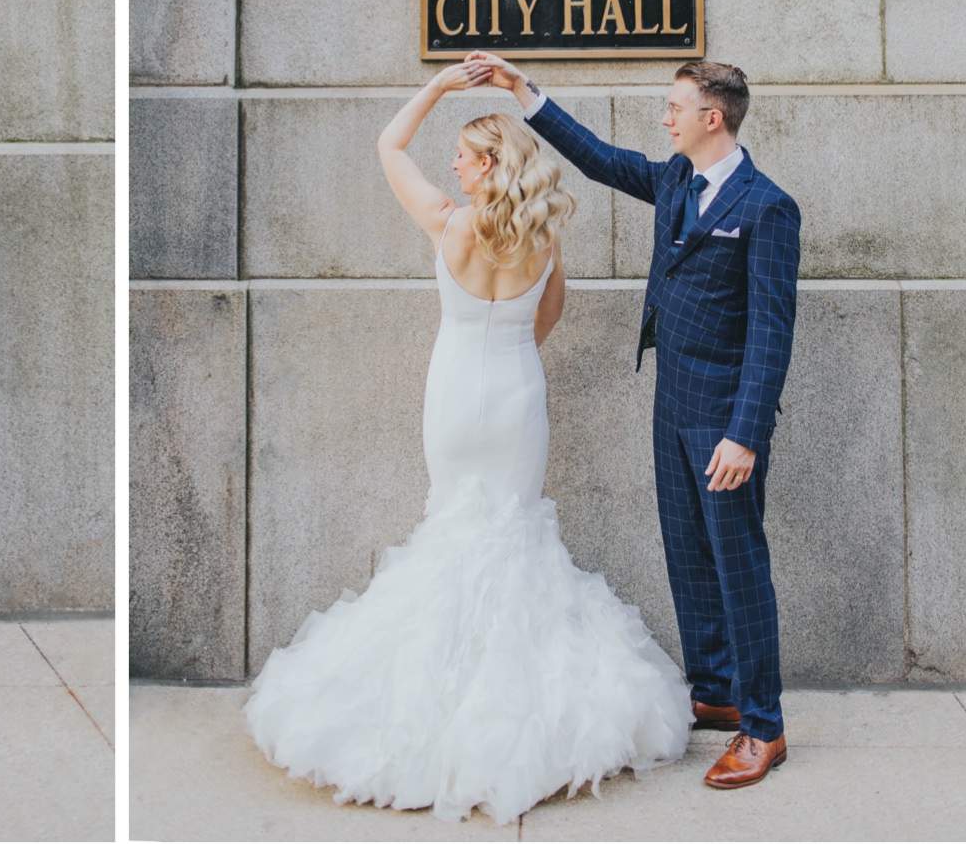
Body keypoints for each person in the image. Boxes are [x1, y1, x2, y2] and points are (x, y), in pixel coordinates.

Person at [245, 59, 691, 825]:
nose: (449, 163)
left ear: (486, 165)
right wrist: (515, 350)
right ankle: (518, 711)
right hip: (517, 393)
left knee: (453, 525)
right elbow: (550, 314)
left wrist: (438, 86)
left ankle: (443, 702)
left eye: (460, 153)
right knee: (512, 531)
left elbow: (389, 145)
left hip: (454, 393)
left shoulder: (450, 223)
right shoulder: (543, 236)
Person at [468, 51, 800, 790]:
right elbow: (600, 161)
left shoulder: (766, 206)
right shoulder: (676, 179)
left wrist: (745, 433)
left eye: (675, 108)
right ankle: (713, 686)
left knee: (738, 563)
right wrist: (524, 92)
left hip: (724, 421)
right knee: (687, 554)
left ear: (712, 118)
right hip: (672, 405)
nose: (665, 118)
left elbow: (773, 332)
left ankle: (764, 726)